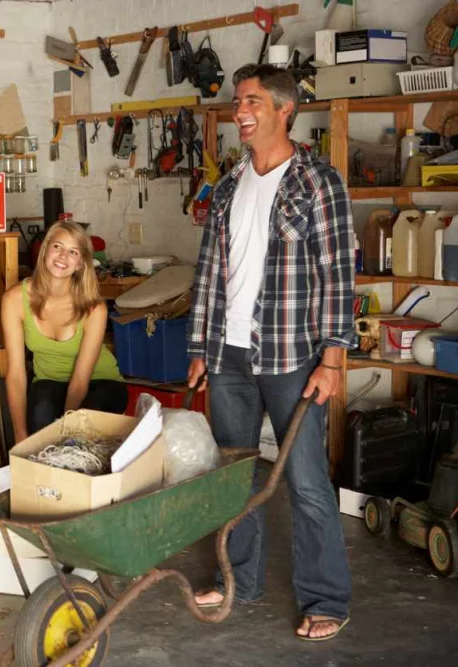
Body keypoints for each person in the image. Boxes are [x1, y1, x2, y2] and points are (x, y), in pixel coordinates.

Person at [186, 63, 354, 642]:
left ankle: (326, 598)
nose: (240, 111)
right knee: (234, 479)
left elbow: (338, 275)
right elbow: (210, 271)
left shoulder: (318, 182)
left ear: (284, 109)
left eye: (252, 101)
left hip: (293, 358)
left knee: (307, 483)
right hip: (228, 354)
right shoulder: (231, 184)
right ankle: (239, 581)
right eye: (237, 102)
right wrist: (200, 346)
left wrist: (333, 358)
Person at [2, 221, 127, 443]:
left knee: (85, 424)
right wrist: (20, 436)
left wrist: (67, 433)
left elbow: (80, 379)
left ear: (80, 264)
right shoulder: (14, 300)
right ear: (44, 250)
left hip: (100, 382)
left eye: (73, 252)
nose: (62, 257)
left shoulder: (93, 308)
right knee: (41, 413)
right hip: (49, 381)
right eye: (57, 247)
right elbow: (16, 373)